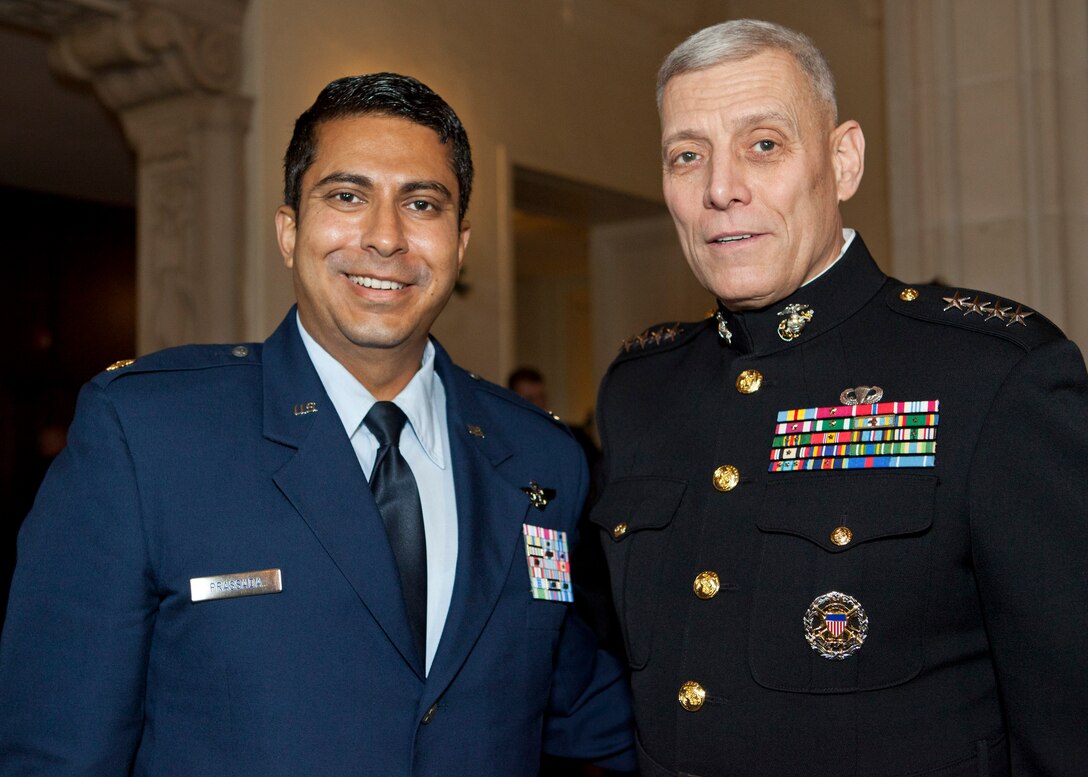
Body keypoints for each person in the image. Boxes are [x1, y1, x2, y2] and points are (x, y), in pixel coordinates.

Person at [0, 72, 635, 776]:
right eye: (347, 195)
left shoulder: (539, 457)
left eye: (421, 203)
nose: (386, 237)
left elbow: (571, 693)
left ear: (458, 245)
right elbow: (60, 750)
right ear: (289, 230)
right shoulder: (147, 435)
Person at [590, 19, 1088, 777]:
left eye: (764, 144)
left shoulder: (991, 374)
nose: (721, 187)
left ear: (843, 160)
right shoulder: (641, 389)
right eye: (687, 155)